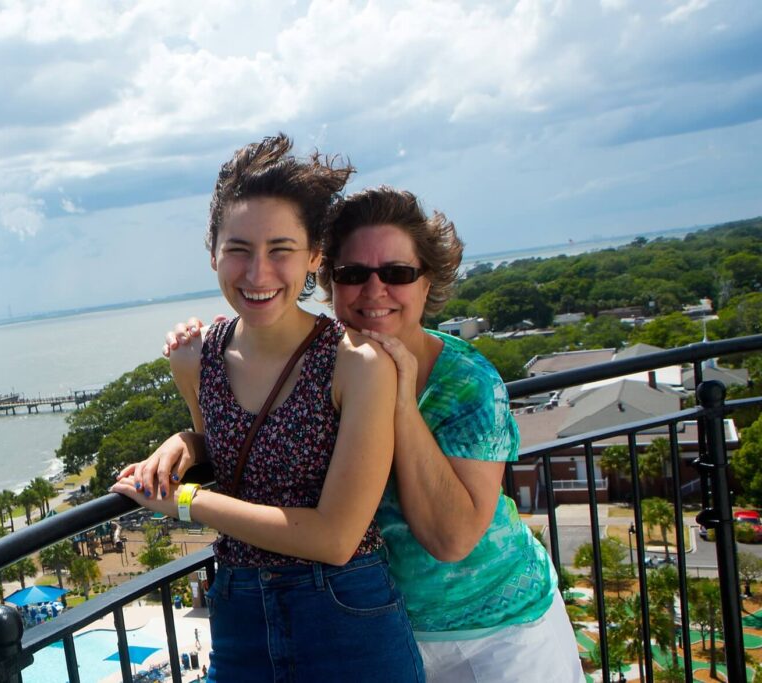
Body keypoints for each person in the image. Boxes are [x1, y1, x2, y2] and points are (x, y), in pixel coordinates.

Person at [162, 186, 582, 682]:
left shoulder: (466, 381)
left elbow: (452, 540)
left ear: (428, 284)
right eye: (353, 274)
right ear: (329, 281)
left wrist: (401, 402)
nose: (374, 290)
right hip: (387, 622)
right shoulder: (333, 369)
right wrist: (188, 441)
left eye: (398, 274)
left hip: (500, 630)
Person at [111, 136, 424, 682]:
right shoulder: (194, 357)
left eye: (281, 250)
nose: (257, 274)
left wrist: (186, 502)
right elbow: (228, 457)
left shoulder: (356, 364)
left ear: (314, 257)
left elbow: (335, 537)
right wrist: (186, 444)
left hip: (346, 614)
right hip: (238, 612)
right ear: (213, 253)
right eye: (238, 249)